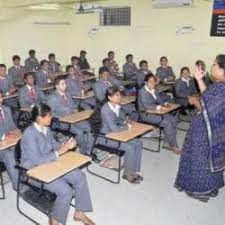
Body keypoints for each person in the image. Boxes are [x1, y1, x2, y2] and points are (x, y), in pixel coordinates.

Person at [20, 104, 94, 225]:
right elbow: (37, 160)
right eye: (48, 116)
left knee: (80, 176)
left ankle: (79, 213)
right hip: (33, 170)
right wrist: (59, 152)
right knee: (65, 190)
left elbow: (55, 146)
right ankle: (55, 220)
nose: (51, 117)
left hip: (50, 162)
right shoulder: (29, 134)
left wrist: (66, 145)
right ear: (40, 118)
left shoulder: (46, 129)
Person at [175, 54, 225, 201]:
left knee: (199, 158)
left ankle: (199, 189)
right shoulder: (219, 85)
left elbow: (207, 107)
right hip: (213, 131)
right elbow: (208, 97)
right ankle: (211, 188)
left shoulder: (222, 88)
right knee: (209, 159)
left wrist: (195, 102)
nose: (212, 66)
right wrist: (199, 80)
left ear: (222, 70)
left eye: (215, 65)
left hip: (206, 132)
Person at [91, 86, 143, 184]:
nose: (119, 97)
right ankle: (127, 174)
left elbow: (121, 119)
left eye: (119, 95)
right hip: (105, 136)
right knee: (130, 147)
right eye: (116, 96)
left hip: (116, 134)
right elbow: (114, 129)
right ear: (110, 98)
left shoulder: (117, 106)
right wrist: (127, 127)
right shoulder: (106, 109)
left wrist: (127, 120)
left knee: (138, 143)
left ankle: (134, 170)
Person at [47, 76, 93, 155]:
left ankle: (88, 150)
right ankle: (83, 152)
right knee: (79, 132)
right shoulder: (52, 97)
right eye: (62, 84)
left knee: (89, 127)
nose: (65, 85)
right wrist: (61, 117)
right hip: (62, 122)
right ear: (57, 86)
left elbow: (74, 106)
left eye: (65, 83)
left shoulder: (68, 94)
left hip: (74, 118)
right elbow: (50, 113)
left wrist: (75, 111)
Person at [138, 73, 181, 154]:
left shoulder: (153, 90)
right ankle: (173, 145)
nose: (152, 83)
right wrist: (159, 107)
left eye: (154, 81)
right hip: (146, 114)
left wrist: (164, 104)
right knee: (167, 123)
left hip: (156, 112)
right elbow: (147, 106)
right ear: (145, 82)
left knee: (173, 119)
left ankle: (167, 141)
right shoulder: (142, 91)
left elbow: (159, 100)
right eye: (150, 82)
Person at [0, 90, 19, 190]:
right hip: (1, 148)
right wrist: (3, 137)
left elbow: (13, 127)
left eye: (1, 97)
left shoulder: (6, 109)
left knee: (27, 145)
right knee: (9, 155)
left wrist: (17, 132)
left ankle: (34, 177)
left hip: (10, 142)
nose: (0, 100)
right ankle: (17, 185)